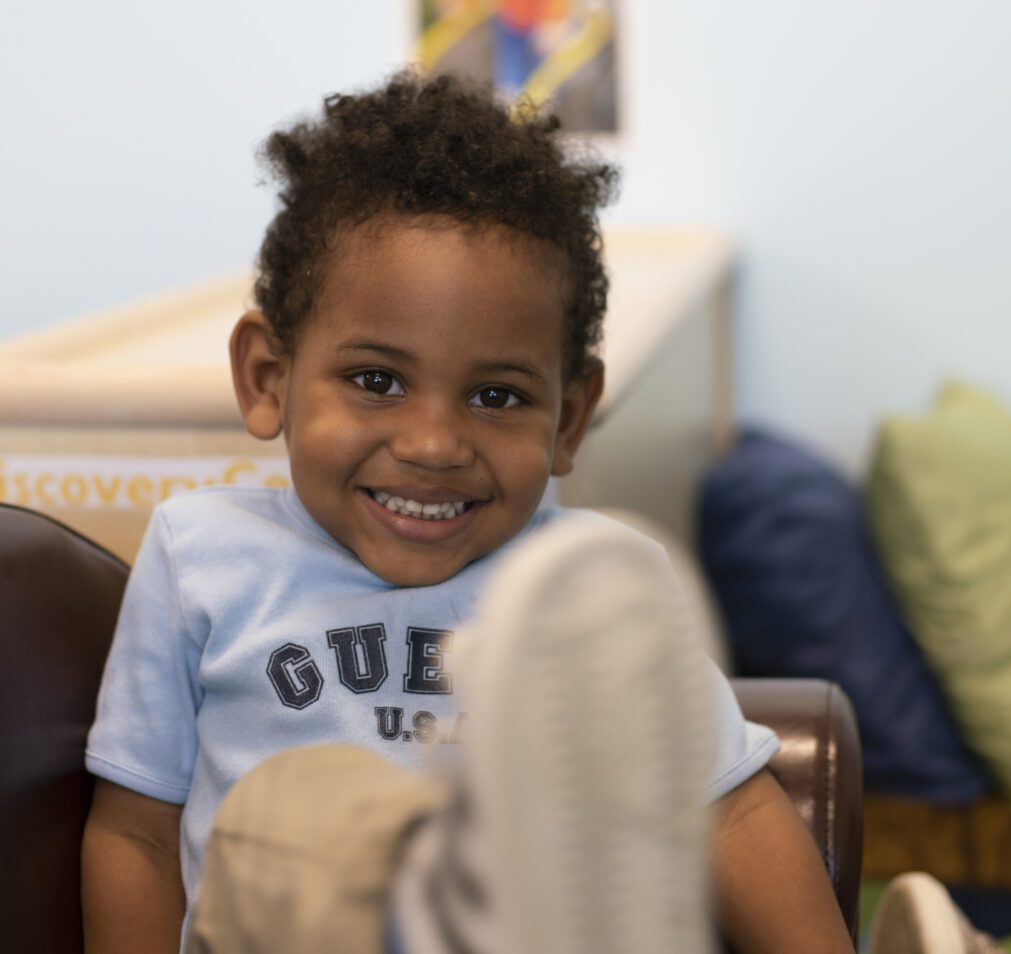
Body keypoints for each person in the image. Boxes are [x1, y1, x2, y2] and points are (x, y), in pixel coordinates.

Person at [80, 70, 853, 954]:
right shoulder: (199, 554)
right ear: (268, 378)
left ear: (568, 419)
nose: (435, 443)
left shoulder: (601, 582)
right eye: (377, 381)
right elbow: (134, 834)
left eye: (496, 394)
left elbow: (730, 813)